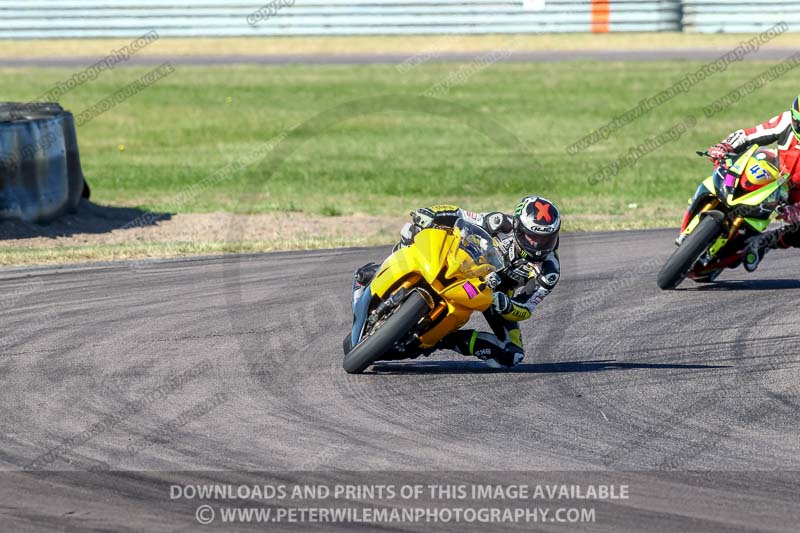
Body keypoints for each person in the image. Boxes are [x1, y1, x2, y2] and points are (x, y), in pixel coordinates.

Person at [351, 196, 561, 368]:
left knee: (511, 354)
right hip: (469, 263)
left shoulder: (549, 272)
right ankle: (379, 274)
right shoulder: (500, 223)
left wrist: (506, 305)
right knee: (411, 232)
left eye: (546, 238)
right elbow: (460, 214)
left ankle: (442, 340)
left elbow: (526, 308)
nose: (539, 244)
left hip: (495, 296)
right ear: (518, 227)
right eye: (534, 237)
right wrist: (431, 213)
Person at [707, 95, 800, 271]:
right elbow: (749, 135)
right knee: (748, 162)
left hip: (795, 195)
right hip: (775, 172)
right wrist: (724, 146)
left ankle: (762, 243)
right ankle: (719, 195)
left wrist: (797, 209)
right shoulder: (785, 121)